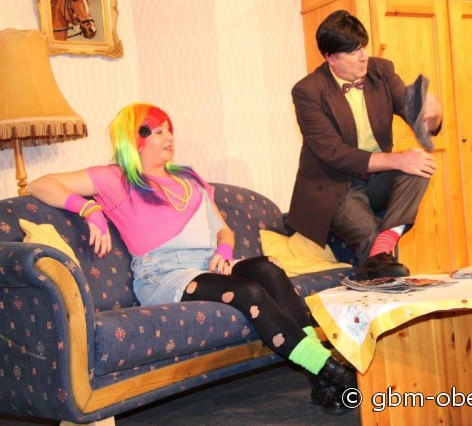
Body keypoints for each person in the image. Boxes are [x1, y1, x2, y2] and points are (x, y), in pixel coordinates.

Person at [27, 103, 356, 413]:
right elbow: (40, 185)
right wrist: (89, 209)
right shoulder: (116, 178)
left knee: (268, 267)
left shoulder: (188, 179)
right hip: (164, 275)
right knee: (247, 291)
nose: (169, 137)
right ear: (134, 140)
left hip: (208, 266)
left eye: (169, 130)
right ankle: (329, 369)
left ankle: (320, 376)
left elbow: (224, 231)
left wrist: (224, 252)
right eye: (158, 131)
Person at [287, 10, 443, 280]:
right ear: (330, 58)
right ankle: (380, 260)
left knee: (420, 165)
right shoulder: (308, 91)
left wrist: (434, 113)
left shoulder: (381, 71)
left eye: (363, 47)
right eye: (353, 51)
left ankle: (387, 238)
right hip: (334, 186)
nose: (363, 56)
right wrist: (397, 159)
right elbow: (334, 153)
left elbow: (416, 116)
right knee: (375, 246)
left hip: (376, 180)